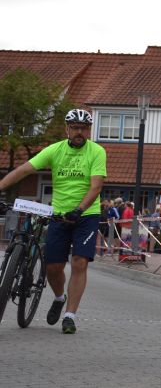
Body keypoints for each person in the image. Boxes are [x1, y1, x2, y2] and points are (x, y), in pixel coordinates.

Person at [0, 108, 106, 334]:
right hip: (59, 215)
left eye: (83, 128)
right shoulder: (55, 150)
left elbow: (96, 186)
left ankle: (69, 316)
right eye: (75, 128)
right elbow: (23, 170)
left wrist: (79, 210)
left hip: (86, 215)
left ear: (89, 131)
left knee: (79, 262)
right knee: (53, 267)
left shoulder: (97, 152)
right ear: (67, 129)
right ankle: (59, 298)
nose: (79, 132)